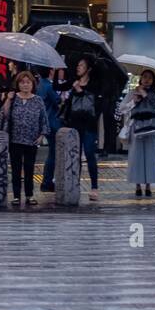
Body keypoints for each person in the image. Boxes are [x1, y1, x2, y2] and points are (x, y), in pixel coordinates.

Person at [0, 70, 49, 206]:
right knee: (15, 169)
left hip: (31, 140)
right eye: (22, 82)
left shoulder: (38, 100)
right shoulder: (13, 98)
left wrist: (41, 135)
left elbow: (43, 119)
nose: (25, 85)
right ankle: (16, 196)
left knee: (29, 168)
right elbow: (4, 115)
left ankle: (29, 195)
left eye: (28, 82)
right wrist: (8, 99)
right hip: (15, 139)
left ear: (32, 84)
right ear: (18, 84)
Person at [60, 55, 102, 201]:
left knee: (90, 154)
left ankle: (94, 187)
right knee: (74, 155)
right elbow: (57, 87)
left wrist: (79, 90)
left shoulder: (94, 83)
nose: (78, 67)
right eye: (78, 65)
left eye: (82, 65)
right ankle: (74, 184)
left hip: (89, 124)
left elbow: (91, 102)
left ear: (89, 69)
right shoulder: (73, 82)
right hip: (74, 123)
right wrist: (57, 69)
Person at [120, 69, 155, 197]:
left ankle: (148, 185)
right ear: (140, 79)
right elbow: (122, 108)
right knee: (136, 156)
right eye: (144, 77)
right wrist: (134, 101)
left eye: (150, 77)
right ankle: (137, 185)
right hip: (136, 128)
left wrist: (145, 95)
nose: (147, 79)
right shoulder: (133, 93)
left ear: (153, 81)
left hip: (151, 128)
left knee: (151, 157)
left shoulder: (154, 94)